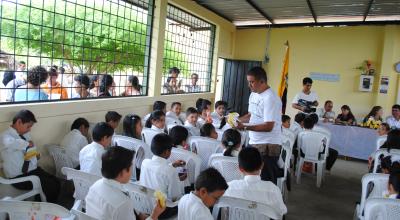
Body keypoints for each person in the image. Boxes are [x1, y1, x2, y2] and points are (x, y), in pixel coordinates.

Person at [85, 146, 165, 220]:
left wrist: (138, 214)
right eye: (131, 166)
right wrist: (155, 214)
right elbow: (122, 207)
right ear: (123, 172)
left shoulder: (95, 186)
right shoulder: (122, 203)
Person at [235, 66, 283, 184]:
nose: (249, 85)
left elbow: (268, 126)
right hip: (254, 141)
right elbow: (251, 115)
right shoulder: (254, 94)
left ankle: (268, 201)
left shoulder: (270, 98)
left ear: (262, 81)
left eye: (252, 82)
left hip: (268, 145)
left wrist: (244, 127)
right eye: (248, 82)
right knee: (252, 178)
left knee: (266, 180)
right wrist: (237, 120)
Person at [0, 110, 60, 202]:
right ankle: (43, 209)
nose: (29, 130)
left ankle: (42, 206)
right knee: (49, 186)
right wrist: (27, 144)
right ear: (19, 122)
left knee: (56, 181)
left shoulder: (25, 135)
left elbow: (30, 150)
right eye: (28, 126)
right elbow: (12, 143)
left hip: (33, 170)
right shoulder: (5, 136)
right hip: (19, 176)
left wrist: (35, 156)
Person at [224, 147, 287, 217]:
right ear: (262, 166)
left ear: (240, 169)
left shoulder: (229, 187)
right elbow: (282, 211)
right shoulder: (273, 189)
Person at [140, 133, 187, 218]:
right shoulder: (170, 172)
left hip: (144, 205)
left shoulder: (145, 162)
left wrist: (172, 165)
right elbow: (175, 198)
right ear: (166, 152)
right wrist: (177, 180)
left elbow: (159, 170)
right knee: (186, 200)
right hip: (161, 211)